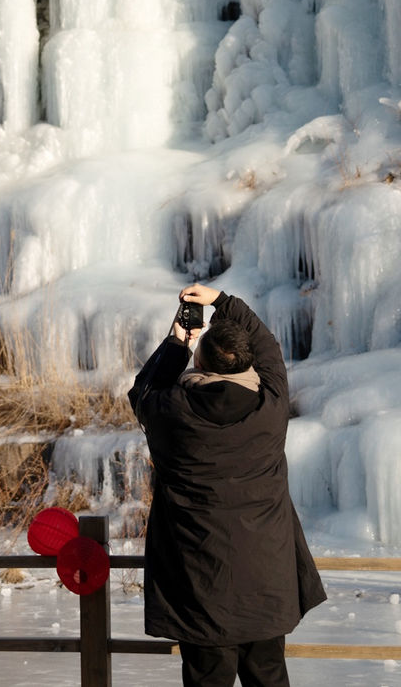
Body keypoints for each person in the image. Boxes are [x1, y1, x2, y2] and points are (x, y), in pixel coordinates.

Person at [128, 283, 326, 687]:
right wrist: (223, 301)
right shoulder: (270, 406)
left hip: (200, 580)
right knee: (269, 678)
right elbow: (267, 345)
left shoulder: (170, 412)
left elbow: (142, 391)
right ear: (246, 364)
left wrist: (178, 343)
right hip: (268, 580)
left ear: (199, 360)